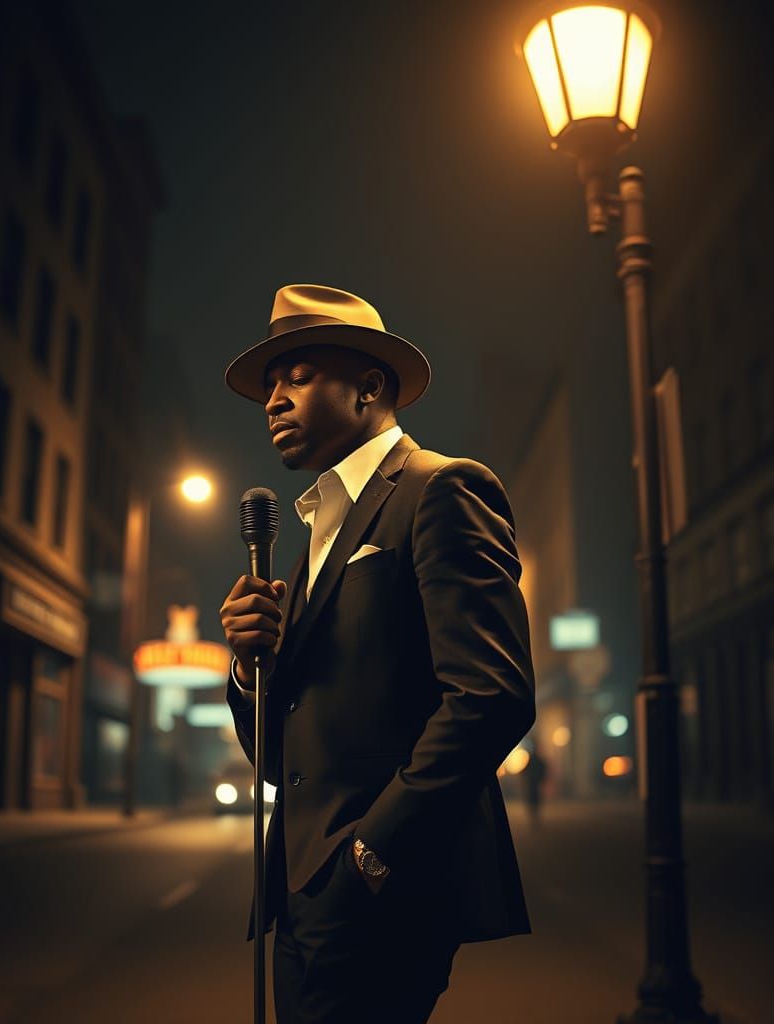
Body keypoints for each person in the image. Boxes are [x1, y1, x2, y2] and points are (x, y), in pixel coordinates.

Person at [219, 283, 537, 1024]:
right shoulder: (312, 538)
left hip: (379, 886)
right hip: (300, 894)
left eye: (297, 376)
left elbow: (490, 696)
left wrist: (372, 852)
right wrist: (246, 666)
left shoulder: (440, 490)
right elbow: (280, 755)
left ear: (369, 387)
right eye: (269, 384)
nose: (273, 399)